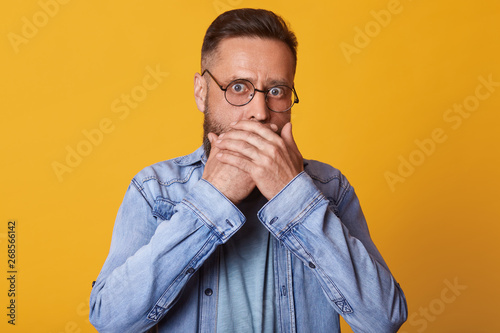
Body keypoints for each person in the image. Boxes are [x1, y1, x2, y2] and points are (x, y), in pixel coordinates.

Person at [89, 8, 407, 333]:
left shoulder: (330, 188)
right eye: (239, 87)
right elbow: (111, 321)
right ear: (202, 92)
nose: (259, 112)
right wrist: (211, 202)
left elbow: (383, 320)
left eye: (276, 91)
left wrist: (295, 196)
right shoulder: (155, 190)